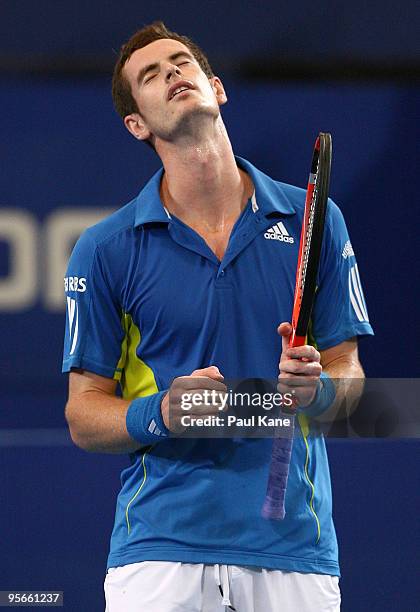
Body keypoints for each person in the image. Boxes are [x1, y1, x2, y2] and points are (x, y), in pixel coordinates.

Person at [62, 21, 373, 612]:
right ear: (138, 124)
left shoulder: (317, 220)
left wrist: (319, 389)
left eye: (181, 63)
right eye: (150, 76)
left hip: (293, 548)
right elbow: (83, 414)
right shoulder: (105, 249)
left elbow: (349, 379)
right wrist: (163, 412)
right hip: (158, 551)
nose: (172, 74)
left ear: (216, 87)